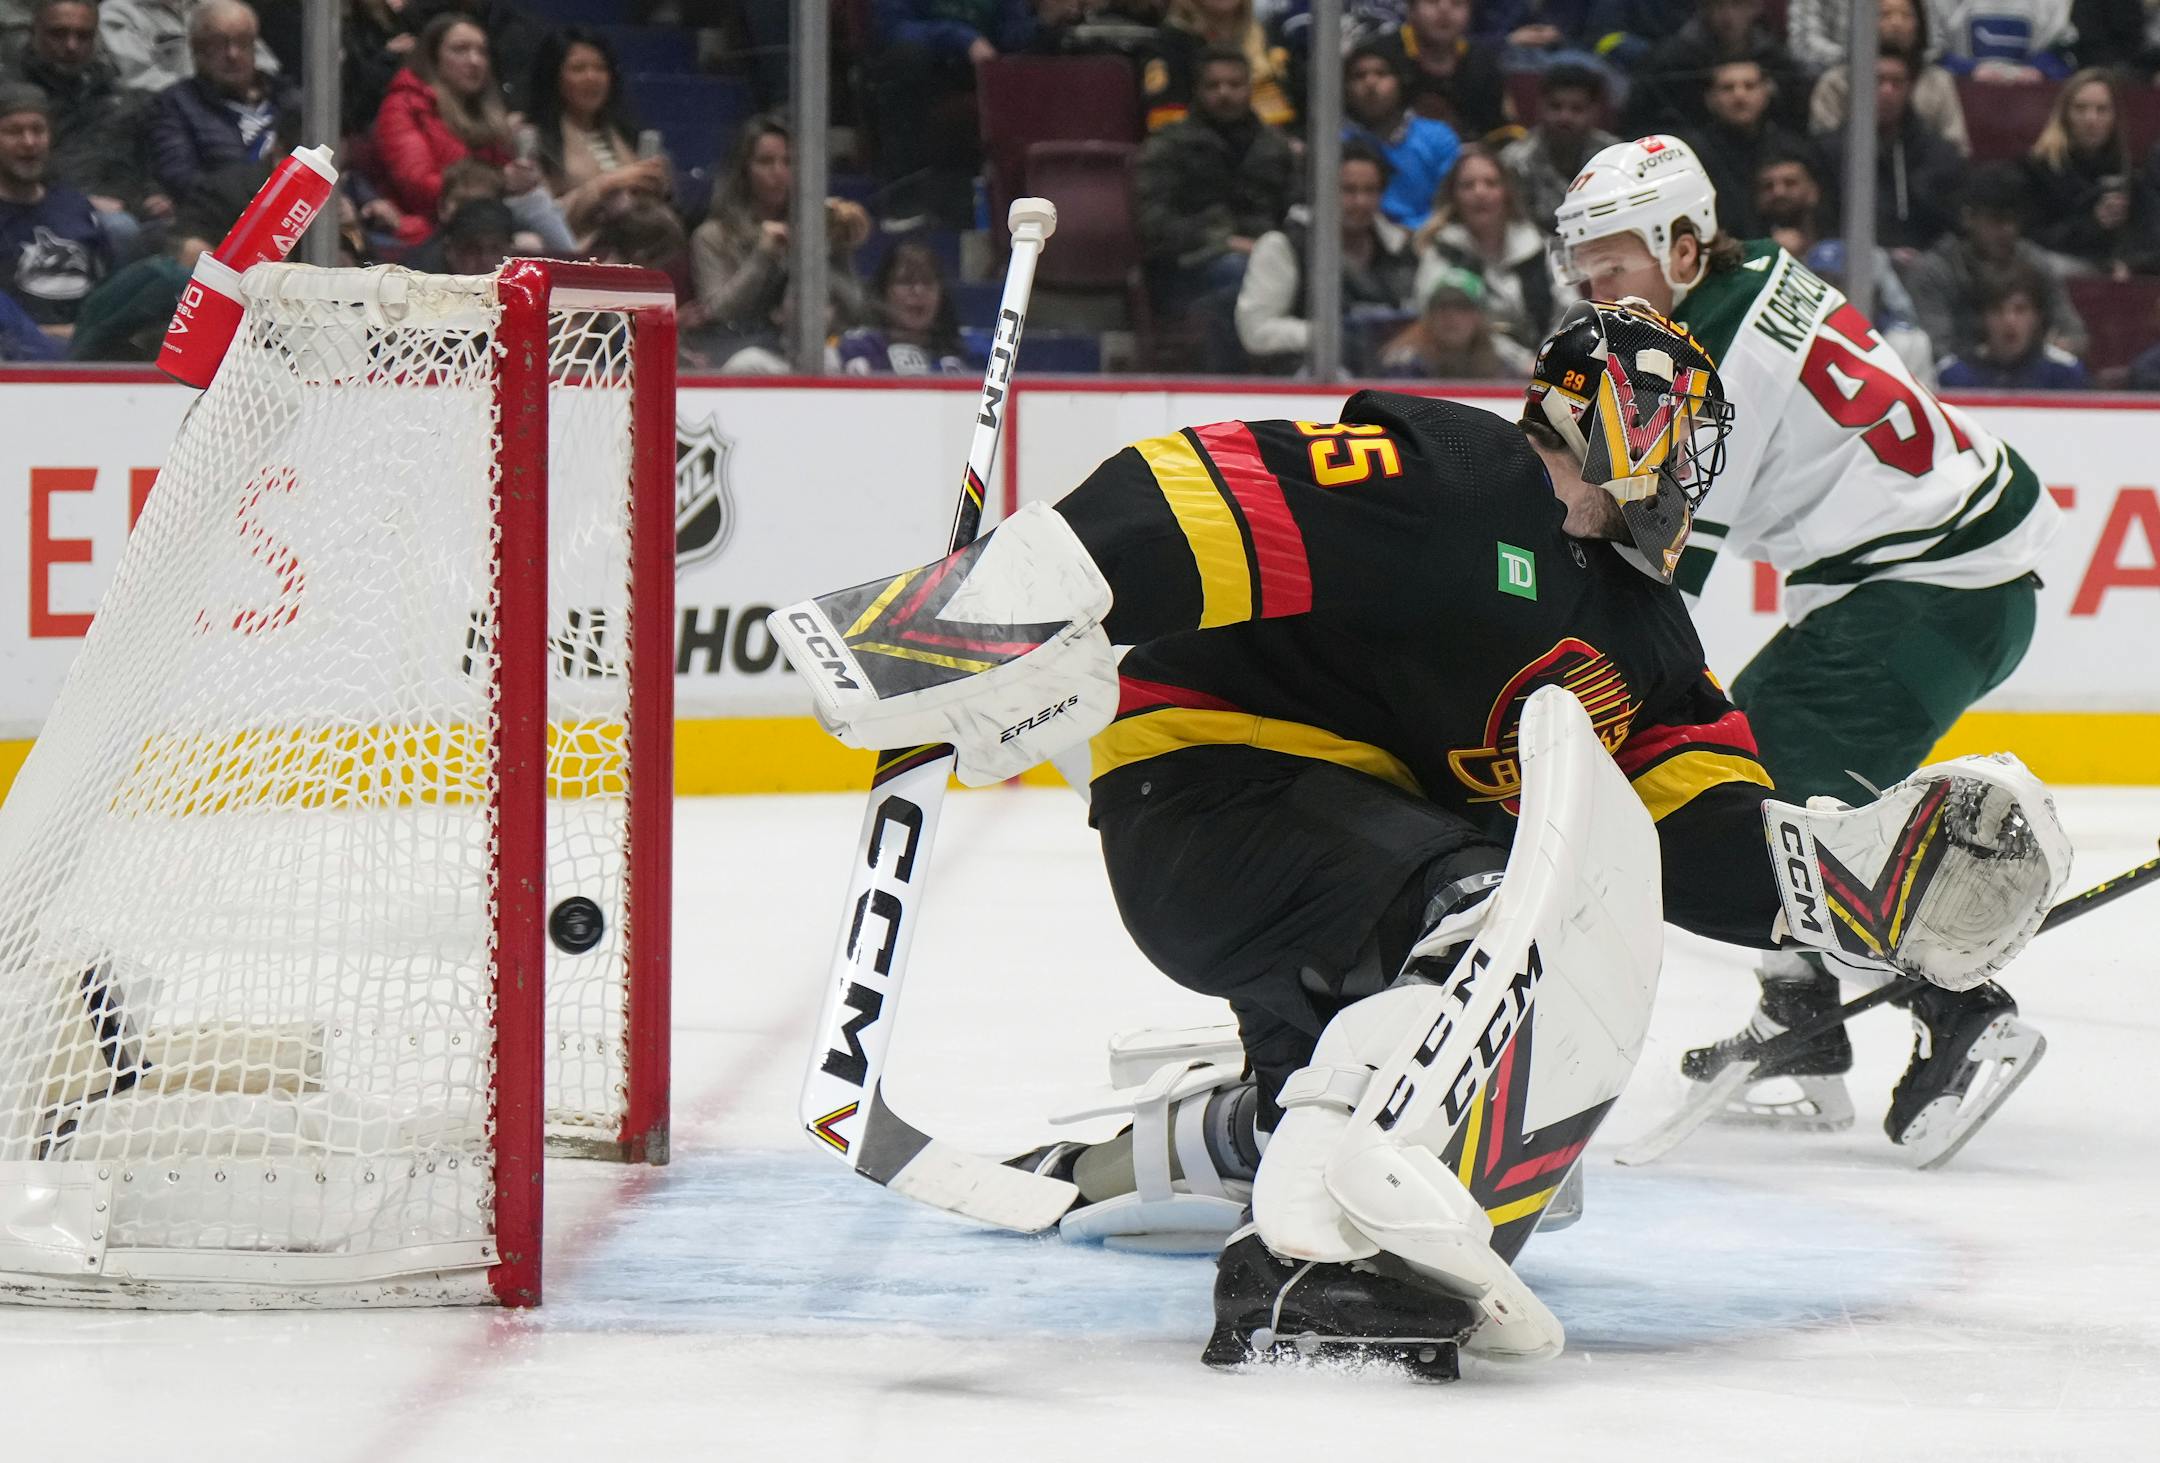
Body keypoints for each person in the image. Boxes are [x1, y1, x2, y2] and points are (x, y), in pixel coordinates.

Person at [767, 299, 2069, 1374]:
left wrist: (1868, 887)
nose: (1694, 467)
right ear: (1626, 409)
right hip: (1213, 804)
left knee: (1520, 1132)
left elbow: (1699, 835)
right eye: (1688, 428)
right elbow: (1198, 488)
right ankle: (1314, 1264)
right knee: (1487, 926)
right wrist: (976, 618)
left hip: (1355, 861)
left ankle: (1238, 1144)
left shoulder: (1650, 636)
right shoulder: (1458, 480)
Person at [1550, 134, 2061, 1146]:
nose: (1596, 286)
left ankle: (1961, 1010)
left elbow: (1642, 583)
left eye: (1616, 261)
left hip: (1927, 597)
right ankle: (1802, 1015)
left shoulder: (1695, 366)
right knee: (1752, 782)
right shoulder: (1749, 278)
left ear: (1685, 246)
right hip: (1947, 579)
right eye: (1584, 265)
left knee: (1742, 817)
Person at [687, 113, 868, 373]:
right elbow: (716, 313)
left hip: (808, 353)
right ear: (743, 170)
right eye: (765, 162)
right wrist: (762, 256)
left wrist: (834, 250)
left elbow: (854, 307)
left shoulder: (816, 228)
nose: (779, 172)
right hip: (741, 356)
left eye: (789, 162)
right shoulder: (713, 235)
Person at [1133, 44, 1294, 325]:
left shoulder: (1276, 148)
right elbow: (1153, 225)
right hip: (1187, 269)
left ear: (1250, 88)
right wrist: (1223, 241)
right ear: (1197, 89)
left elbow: (1296, 213)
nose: (1224, 93)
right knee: (1241, 272)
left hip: (1268, 257)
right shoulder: (1168, 146)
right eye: (1213, 85)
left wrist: (1270, 248)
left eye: (1234, 84)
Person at [1234, 140, 1417, 372]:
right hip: (1305, 382)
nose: (1360, 202)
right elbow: (1256, 331)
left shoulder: (1399, 249)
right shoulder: (1282, 246)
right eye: (1348, 190)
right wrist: (1329, 335)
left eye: (1370, 190)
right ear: (1322, 190)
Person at [5, 0, 170, 249]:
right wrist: (81, 201)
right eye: (58, 34)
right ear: (34, 33)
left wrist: (153, 192)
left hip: (129, 204)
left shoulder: (113, 95)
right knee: (120, 230)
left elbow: (141, 154)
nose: (71, 46)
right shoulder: (14, 100)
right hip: (46, 211)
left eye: (83, 36)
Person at [868, 0, 1036, 224]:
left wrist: (1045, 20)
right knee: (906, 59)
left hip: (981, 73)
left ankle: (1020, 197)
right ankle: (905, 196)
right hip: (924, 72)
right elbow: (891, 27)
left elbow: (1014, 36)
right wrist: (961, 39)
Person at [1906, 159, 2088, 362]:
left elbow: (2075, 334)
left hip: (2030, 378)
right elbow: (1938, 350)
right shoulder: (1936, 271)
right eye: (1996, 220)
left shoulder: (2034, 263)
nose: (2007, 231)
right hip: (1958, 383)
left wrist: (2065, 345)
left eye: (2013, 220)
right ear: (1968, 218)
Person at [526, 28, 668, 246]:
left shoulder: (628, 133)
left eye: (600, 68)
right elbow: (540, 219)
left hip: (636, 247)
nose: (592, 77)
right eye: (578, 69)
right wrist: (607, 185)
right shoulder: (534, 138)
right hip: (576, 250)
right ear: (554, 76)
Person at [369, 12, 514, 219]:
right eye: (460, 50)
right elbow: (417, 186)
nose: (475, 61)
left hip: (487, 217)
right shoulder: (403, 106)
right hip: (425, 227)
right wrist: (500, 182)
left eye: (482, 52)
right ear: (433, 57)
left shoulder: (488, 112)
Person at [1821, 45, 1965, 252]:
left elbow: (1950, 225)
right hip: (1851, 259)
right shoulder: (1830, 151)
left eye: (1896, 83)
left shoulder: (1939, 154)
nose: (1887, 91)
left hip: (1923, 260)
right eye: (1877, 81)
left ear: (1910, 88)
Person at [145, 0, 294, 198]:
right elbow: (182, 183)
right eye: (217, 44)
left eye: (242, 41)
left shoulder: (287, 96)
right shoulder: (177, 104)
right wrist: (262, 174)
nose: (232, 54)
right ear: (196, 49)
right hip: (225, 220)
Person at [1412, 143, 1555, 346]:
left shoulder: (1540, 249)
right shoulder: (1441, 251)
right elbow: (1440, 322)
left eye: (1491, 183)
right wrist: (1519, 362)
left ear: (1507, 192)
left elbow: (1567, 316)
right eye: (1468, 185)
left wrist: (1548, 361)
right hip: (1468, 369)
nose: (1480, 193)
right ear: (1454, 197)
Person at [2020, 69, 2155, 277]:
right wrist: (2094, 222)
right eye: (2080, 108)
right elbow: (2032, 237)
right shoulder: (2039, 167)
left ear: (2114, 118)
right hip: (2060, 262)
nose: (2091, 119)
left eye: (2102, 110)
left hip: (2115, 267)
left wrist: (2131, 265)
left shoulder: (2127, 171)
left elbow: (2148, 234)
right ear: (2065, 114)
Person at [0, 81, 107, 335]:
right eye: (14, 132)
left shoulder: (77, 207)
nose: (29, 142)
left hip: (86, 354)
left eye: (38, 130)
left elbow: (105, 298)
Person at [1807, 0, 1969, 157]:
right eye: (1884, 14)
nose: (1896, 23)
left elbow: (1956, 147)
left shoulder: (1938, 81)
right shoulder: (1836, 82)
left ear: (1920, 24)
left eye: (1906, 15)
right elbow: (1822, 151)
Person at [1623, 0, 1805, 139]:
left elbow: (1795, 122)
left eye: (1737, 4)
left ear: (1756, 7)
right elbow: (1638, 123)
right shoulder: (1669, 62)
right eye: (1718, 5)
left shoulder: (1775, 59)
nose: (1728, 16)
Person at [1342, 37, 1459, 231]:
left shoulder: (1438, 137)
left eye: (1381, 73)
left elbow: (1451, 203)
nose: (1370, 83)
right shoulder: (1334, 143)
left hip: (1430, 238)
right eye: (1359, 75)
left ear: (1400, 81)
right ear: (1345, 89)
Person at [1681, 56, 1805, 239]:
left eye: (1749, 86)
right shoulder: (1692, 154)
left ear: (1766, 92)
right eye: (1727, 88)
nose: (1739, 95)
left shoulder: (1792, 149)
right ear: (1710, 98)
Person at [1142, 0, 1297, 132]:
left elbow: (1294, 111)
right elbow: (1168, 123)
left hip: (1268, 151)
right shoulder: (1172, 42)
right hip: (1196, 154)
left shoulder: (1265, 36)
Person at [1370, 0, 1513, 141]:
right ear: (1411, 10)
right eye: (1432, 2)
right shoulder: (1379, 56)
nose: (1445, 10)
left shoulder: (1483, 62)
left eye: (1457, 3)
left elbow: (1496, 129)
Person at [1499, 62, 1615, 232]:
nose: (1564, 117)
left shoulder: (1613, 156)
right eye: (1555, 107)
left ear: (1594, 112)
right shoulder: (1515, 161)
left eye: (1576, 109)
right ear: (1540, 107)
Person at [1937, 265, 2093, 387]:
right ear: (1983, 318)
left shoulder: (2065, 373)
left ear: (2037, 317)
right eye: (1997, 310)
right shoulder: (1954, 374)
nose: (2009, 320)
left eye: (2020, 310)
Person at [837, 236, 972, 375]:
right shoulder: (855, 348)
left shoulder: (968, 347)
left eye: (928, 282)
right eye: (905, 282)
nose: (918, 291)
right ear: (883, 292)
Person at [1377, 260, 1536, 376]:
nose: (1449, 315)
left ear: (1479, 317)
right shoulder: (1405, 362)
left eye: (1461, 307)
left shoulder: (1501, 356)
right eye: (1441, 306)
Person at [1937, 0, 2075, 80]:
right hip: (1961, 101)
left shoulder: (2052, 3)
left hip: (2030, 104)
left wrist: (2040, 68)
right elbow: (1930, 52)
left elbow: (2066, 49)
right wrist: (1968, 69)